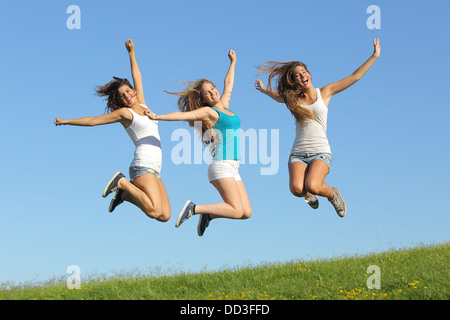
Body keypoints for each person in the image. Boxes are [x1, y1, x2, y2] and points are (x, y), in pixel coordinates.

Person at [255, 39, 381, 217]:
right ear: (294, 81)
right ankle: (309, 194)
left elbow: (354, 77)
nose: (302, 76)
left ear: (309, 74)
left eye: (304, 72)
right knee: (297, 189)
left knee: (313, 184)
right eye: (297, 75)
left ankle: (332, 195)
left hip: (321, 152)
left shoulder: (325, 92)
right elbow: (278, 97)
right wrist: (265, 90)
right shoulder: (293, 100)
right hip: (298, 153)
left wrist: (374, 56)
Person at [54, 40, 170, 222]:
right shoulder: (125, 113)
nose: (127, 96)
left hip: (156, 169)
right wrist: (67, 121)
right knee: (154, 211)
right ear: (121, 101)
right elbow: (93, 121)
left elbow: (137, 76)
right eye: (122, 96)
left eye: (128, 91)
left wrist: (131, 53)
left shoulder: (142, 103)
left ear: (133, 90)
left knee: (164, 216)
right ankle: (121, 182)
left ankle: (122, 195)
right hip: (143, 165)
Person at [144, 50, 251, 236]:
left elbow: (229, 85)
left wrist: (233, 62)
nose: (212, 93)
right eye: (207, 93)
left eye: (212, 89)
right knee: (235, 209)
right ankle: (195, 208)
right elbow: (183, 115)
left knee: (245, 213)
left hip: (234, 166)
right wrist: (156, 116)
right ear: (203, 99)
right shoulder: (209, 113)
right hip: (222, 165)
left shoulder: (224, 106)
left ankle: (208, 216)